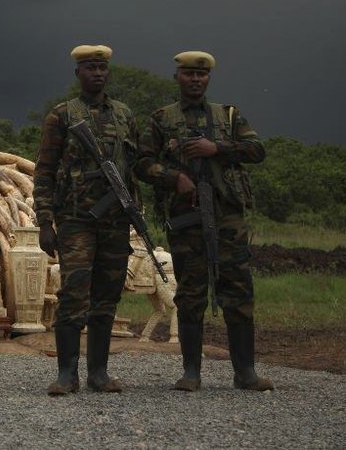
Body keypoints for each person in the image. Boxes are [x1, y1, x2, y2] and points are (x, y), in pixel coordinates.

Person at [135, 51, 272, 391]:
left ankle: (245, 373)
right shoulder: (162, 118)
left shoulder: (227, 115)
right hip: (186, 218)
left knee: (238, 290)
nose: (195, 79)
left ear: (208, 78)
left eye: (202, 74)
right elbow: (141, 164)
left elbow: (256, 150)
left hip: (227, 217)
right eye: (188, 74)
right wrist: (172, 177)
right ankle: (191, 372)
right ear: (177, 77)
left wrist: (218, 149)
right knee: (191, 293)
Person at [33, 44, 138, 395]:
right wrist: (45, 221)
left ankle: (99, 374)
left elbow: (133, 169)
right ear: (78, 73)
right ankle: (66, 374)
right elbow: (45, 171)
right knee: (73, 294)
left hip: (115, 222)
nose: (97, 73)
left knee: (107, 296)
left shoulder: (124, 115)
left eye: (102, 68)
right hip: (76, 219)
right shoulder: (62, 116)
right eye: (90, 67)